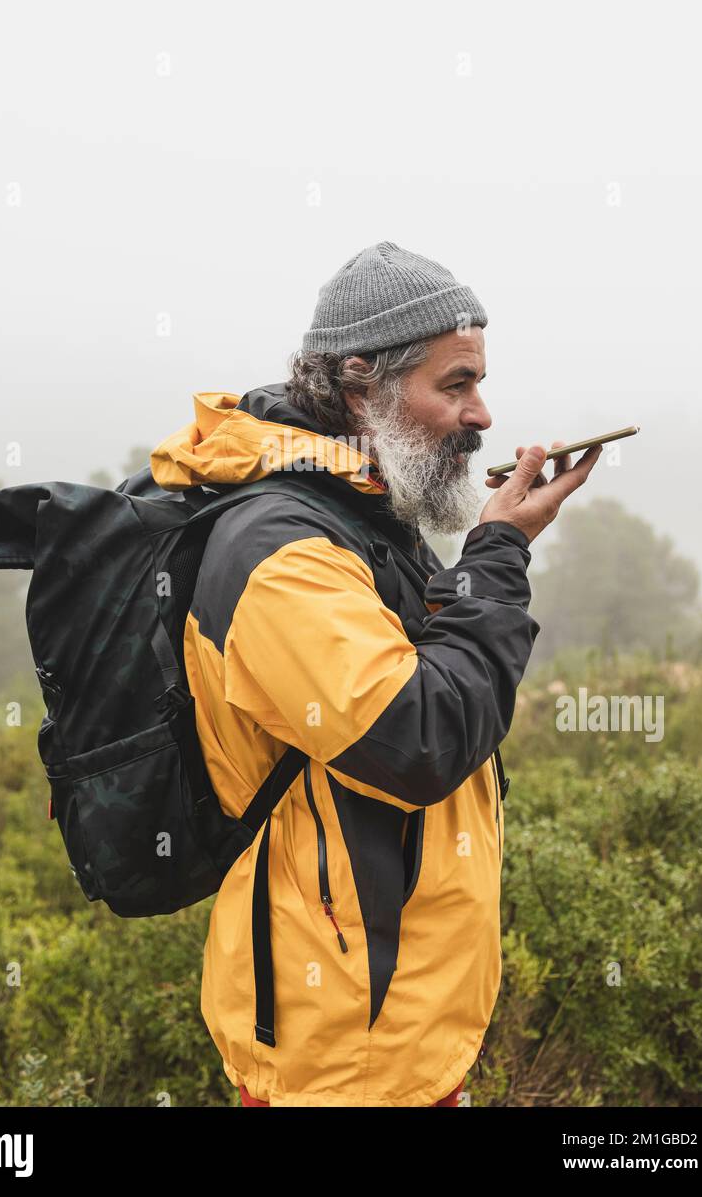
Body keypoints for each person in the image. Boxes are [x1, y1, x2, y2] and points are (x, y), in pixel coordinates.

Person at [151, 241, 601, 1107]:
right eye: (457, 384)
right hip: (340, 1057)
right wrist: (498, 555)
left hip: (398, 1037)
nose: (481, 416)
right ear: (362, 385)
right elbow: (420, 740)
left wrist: (488, 555)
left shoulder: (360, 511)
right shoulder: (282, 552)